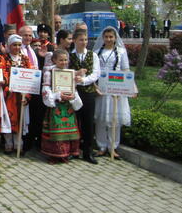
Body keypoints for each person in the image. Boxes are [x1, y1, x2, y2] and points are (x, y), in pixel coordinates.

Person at [94, 26, 131, 158]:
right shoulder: (97, 52)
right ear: (103, 38)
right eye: (106, 37)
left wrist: (127, 87)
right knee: (101, 118)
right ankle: (101, 145)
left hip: (116, 87)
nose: (109, 39)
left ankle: (113, 146)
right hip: (101, 88)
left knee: (115, 118)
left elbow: (126, 69)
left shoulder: (121, 52)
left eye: (111, 37)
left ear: (115, 38)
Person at [40, 49, 83, 164]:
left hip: (68, 105)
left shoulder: (70, 73)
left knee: (67, 130)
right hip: (56, 105)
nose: (64, 62)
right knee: (55, 130)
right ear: (54, 60)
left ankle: (66, 153)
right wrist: (57, 95)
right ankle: (54, 155)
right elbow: (46, 88)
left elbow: (73, 88)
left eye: (65, 60)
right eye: (61, 60)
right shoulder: (49, 72)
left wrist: (73, 96)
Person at [70, 28, 101, 164]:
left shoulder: (92, 55)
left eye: (86, 40)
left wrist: (84, 80)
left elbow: (96, 73)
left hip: (88, 92)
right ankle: (74, 150)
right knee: (74, 122)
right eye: (81, 40)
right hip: (75, 92)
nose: (84, 42)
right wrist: (74, 75)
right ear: (75, 41)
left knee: (88, 122)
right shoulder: (70, 55)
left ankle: (88, 151)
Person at [3, 34, 31, 153]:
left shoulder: (25, 59)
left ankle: (18, 144)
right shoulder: (3, 58)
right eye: (14, 45)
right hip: (9, 94)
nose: (17, 47)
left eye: (19, 45)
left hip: (21, 94)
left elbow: (30, 76)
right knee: (8, 118)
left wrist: (27, 94)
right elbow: (2, 73)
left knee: (21, 119)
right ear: (9, 45)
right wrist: (7, 87)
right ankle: (9, 143)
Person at [19, 25, 43, 152]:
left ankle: (30, 141)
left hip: (34, 87)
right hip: (23, 87)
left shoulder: (32, 50)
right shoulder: (18, 49)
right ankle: (23, 143)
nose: (28, 37)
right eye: (25, 35)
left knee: (33, 115)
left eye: (30, 35)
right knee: (23, 117)